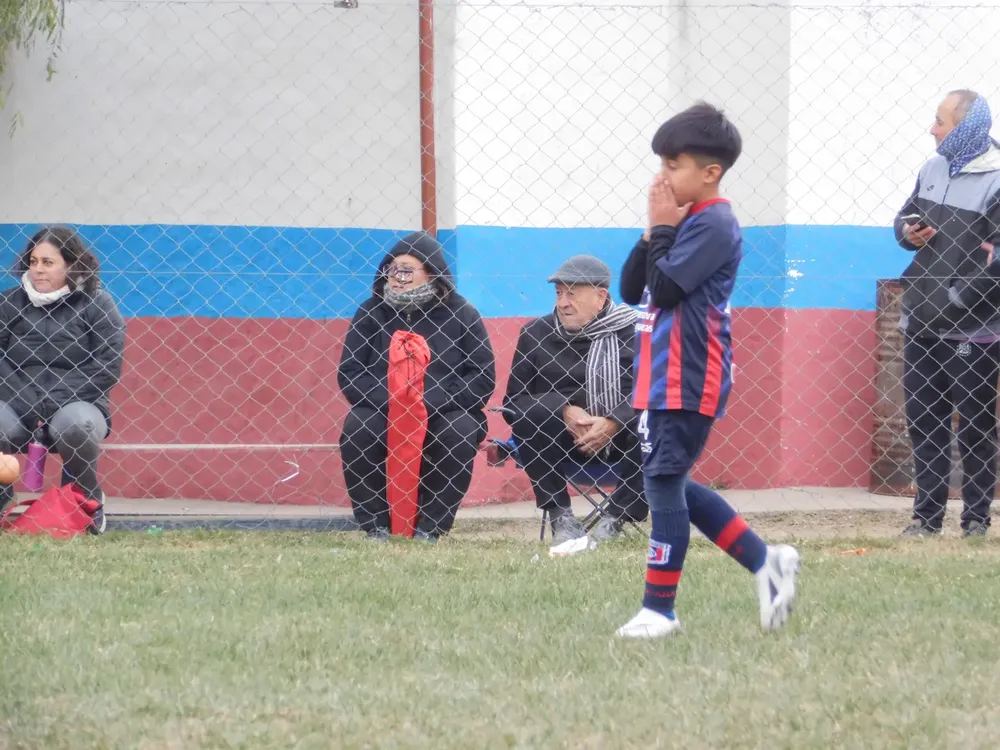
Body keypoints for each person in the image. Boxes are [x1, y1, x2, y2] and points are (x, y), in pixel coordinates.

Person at [615, 102, 800, 639]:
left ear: (710, 172)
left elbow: (669, 289)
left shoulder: (716, 223)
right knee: (666, 481)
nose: (662, 175)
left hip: (688, 373)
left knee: (663, 482)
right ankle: (768, 563)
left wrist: (665, 230)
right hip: (657, 372)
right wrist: (654, 232)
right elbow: (634, 288)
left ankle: (659, 610)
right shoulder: (681, 221)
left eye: (674, 164)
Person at [337, 231, 496, 542]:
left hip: (443, 409)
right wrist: (397, 401)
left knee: (460, 430)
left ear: (431, 273)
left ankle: (431, 527)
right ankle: (376, 526)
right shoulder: (371, 312)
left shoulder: (462, 313)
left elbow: (481, 376)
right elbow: (351, 373)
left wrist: (427, 401)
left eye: (406, 271)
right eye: (392, 270)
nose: (397, 279)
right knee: (357, 429)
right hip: (386, 407)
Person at [894, 89, 1000, 538]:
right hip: (920, 322)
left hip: (973, 331)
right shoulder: (933, 168)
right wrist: (907, 232)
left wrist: (957, 300)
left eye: (940, 121)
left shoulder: (996, 180)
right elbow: (903, 219)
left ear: (967, 128)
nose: (933, 129)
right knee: (924, 422)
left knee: (975, 425)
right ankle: (925, 519)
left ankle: (976, 519)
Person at [502, 255, 647, 543]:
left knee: (657, 420)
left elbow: (652, 391)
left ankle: (616, 517)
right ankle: (561, 517)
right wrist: (563, 410)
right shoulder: (535, 334)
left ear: (600, 296)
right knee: (533, 414)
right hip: (561, 444)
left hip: (623, 442)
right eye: (558, 294)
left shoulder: (636, 332)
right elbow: (513, 404)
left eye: (572, 293)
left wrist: (613, 421)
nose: (563, 303)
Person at [0, 226, 126, 533]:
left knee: (77, 426)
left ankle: (85, 501)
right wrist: (27, 400)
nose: (38, 270)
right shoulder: (8, 303)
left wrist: (52, 402)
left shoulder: (97, 304)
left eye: (48, 262)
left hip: (77, 402)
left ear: (71, 264)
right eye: (33, 262)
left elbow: (107, 366)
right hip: (16, 402)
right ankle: (2, 499)